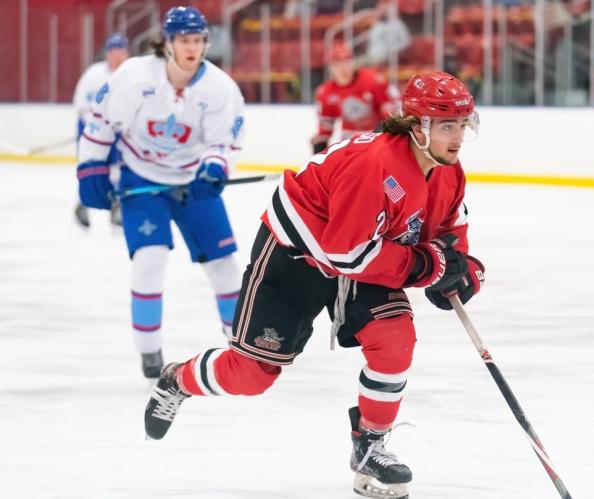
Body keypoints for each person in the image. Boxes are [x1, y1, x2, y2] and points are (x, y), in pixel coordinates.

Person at [144, 71, 486, 499]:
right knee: (252, 375)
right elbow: (348, 254)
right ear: (419, 127)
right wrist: (426, 268)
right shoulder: (373, 166)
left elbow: (451, 230)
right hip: (297, 257)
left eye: (462, 125)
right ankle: (178, 380)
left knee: (395, 339)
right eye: (447, 126)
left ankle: (370, 445)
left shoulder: (448, 171)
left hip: (364, 256)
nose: (457, 138)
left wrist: (466, 267)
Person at [76, 6, 245, 379]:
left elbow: (225, 141)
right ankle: (150, 351)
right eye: (184, 40)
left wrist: (214, 167)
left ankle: (240, 344)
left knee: (224, 265)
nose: (192, 48)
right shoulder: (135, 76)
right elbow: (101, 122)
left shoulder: (219, 88)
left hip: (192, 183)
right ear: (167, 42)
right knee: (149, 260)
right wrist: (91, 168)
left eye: (198, 40)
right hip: (142, 181)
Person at [72, 33, 130, 228]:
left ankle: (116, 207)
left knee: (117, 168)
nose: (117, 56)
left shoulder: (132, 74)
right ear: (107, 53)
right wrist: (98, 125)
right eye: (114, 52)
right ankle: (83, 205)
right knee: (93, 169)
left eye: (121, 51)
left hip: (119, 130)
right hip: (93, 129)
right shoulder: (94, 74)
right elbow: (81, 103)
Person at [311, 43, 400, 155]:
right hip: (348, 142)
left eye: (346, 62)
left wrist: (383, 135)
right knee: (318, 142)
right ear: (330, 67)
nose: (342, 68)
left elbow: (392, 114)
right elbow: (325, 129)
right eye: (337, 64)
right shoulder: (325, 92)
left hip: (376, 138)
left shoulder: (373, 80)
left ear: (353, 63)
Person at [364, 0, 411, 67]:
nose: (382, 11)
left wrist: (392, 50)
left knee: (366, 65)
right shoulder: (377, 25)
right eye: (380, 9)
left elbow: (406, 42)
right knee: (355, 64)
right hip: (372, 55)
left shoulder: (398, 25)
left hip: (387, 56)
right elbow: (371, 41)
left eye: (384, 10)